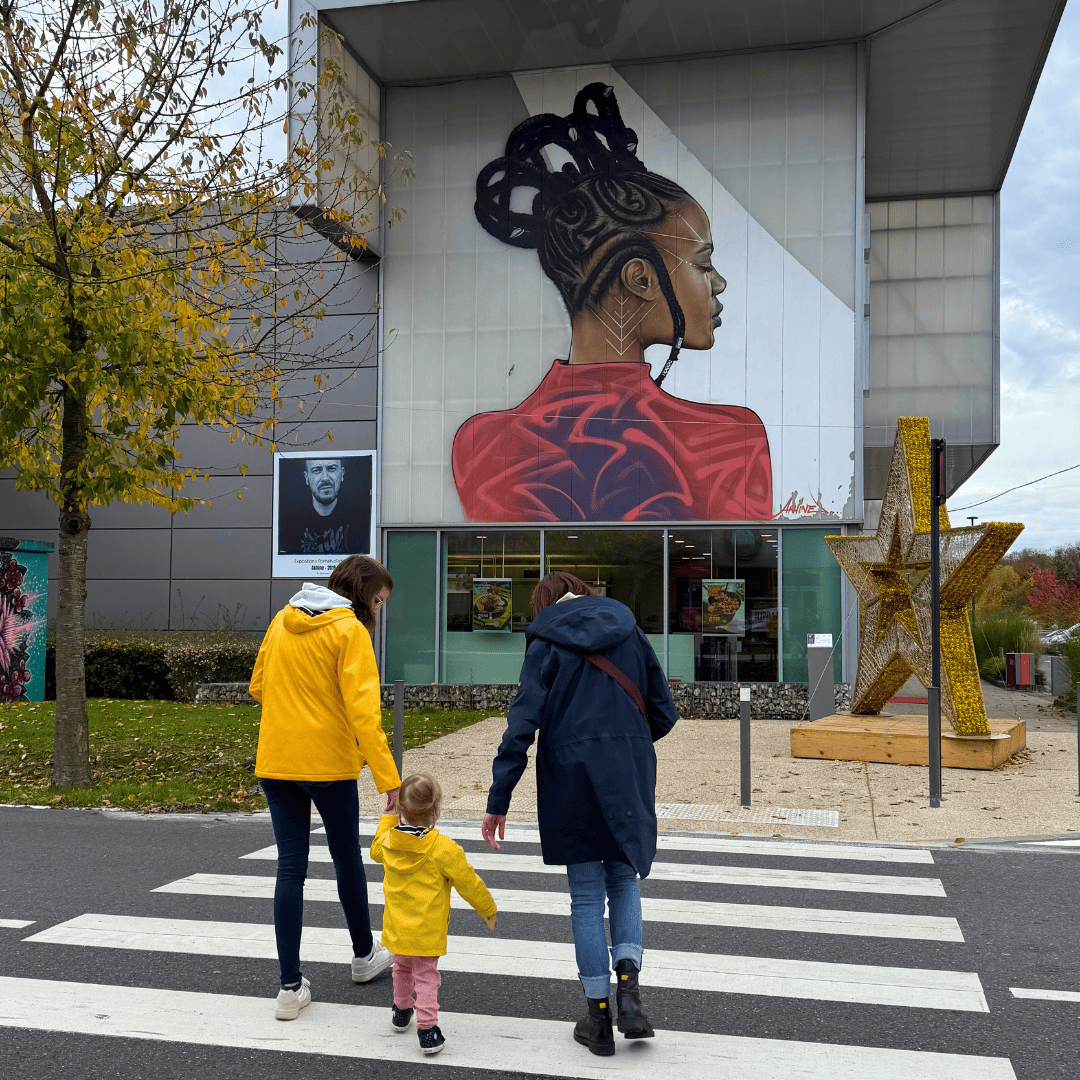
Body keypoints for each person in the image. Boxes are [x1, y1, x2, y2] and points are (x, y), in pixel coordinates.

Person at [454, 81, 772, 523]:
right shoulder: (728, 442)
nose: (718, 284)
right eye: (703, 265)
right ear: (639, 278)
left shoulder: (483, 444)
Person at [481, 572, 678, 1056]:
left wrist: (498, 799)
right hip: (627, 768)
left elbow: (522, 723)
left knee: (586, 896)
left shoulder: (546, 640)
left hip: (569, 772)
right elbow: (664, 710)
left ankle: (598, 1018)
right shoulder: (629, 629)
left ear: (543, 604)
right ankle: (630, 994)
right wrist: (624, 744)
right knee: (624, 879)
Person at [249, 554, 400, 1020]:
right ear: (361, 594)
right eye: (377, 600)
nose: (378, 609)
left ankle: (289, 988)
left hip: (277, 759)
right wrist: (388, 779)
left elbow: (258, 685)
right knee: (345, 858)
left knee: (290, 867)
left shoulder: (282, 620)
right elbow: (364, 713)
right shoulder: (349, 631)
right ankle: (362, 955)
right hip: (329, 763)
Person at [371, 772, 498, 1056]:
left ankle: (401, 1011)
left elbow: (374, 850)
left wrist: (388, 817)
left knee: (401, 967)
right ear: (436, 810)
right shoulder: (443, 849)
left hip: (397, 925)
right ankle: (427, 1029)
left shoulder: (388, 844)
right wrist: (487, 908)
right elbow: (468, 882)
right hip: (427, 929)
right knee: (427, 976)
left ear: (400, 809)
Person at [278, 456, 371, 556]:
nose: (325, 478)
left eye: (331, 469)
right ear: (307, 478)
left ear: (342, 474)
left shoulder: (362, 521)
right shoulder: (288, 524)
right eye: (316, 470)